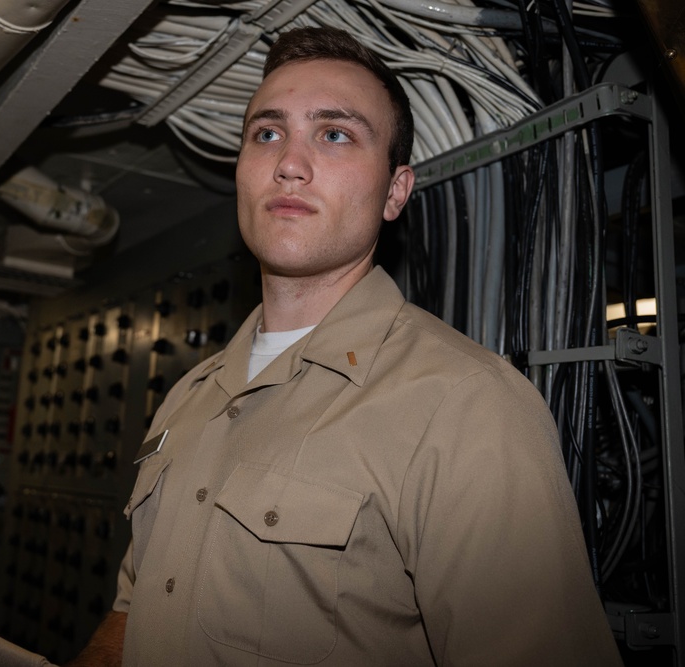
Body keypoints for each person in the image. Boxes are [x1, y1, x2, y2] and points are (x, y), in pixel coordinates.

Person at [69, 26, 622, 666]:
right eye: (266, 133)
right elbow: (134, 610)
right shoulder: (190, 399)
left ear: (395, 192)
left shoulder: (464, 406)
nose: (289, 163)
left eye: (334, 135)